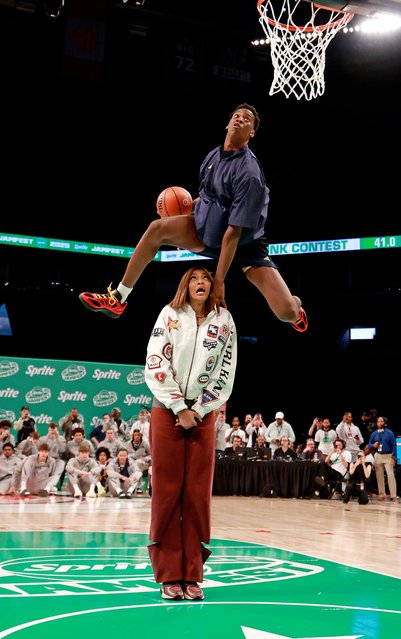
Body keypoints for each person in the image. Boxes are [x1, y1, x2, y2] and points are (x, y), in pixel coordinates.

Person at [79, 104, 307, 333]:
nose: (239, 119)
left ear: (252, 133)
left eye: (246, 119)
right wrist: (184, 212)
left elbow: (234, 232)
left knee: (285, 313)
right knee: (156, 229)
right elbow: (207, 197)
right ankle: (119, 298)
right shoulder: (212, 157)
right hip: (209, 231)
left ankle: (295, 305)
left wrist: (218, 282)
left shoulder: (249, 174)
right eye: (235, 116)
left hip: (246, 244)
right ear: (227, 124)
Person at [144, 266, 237, 602]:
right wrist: (177, 406)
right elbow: (155, 362)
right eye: (194, 278)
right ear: (185, 285)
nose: (201, 282)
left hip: (204, 414)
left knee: (196, 494)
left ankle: (192, 574)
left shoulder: (224, 321)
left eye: (206, 278)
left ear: (213, 286)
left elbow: (225, 371)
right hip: (166, 411)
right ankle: (169, 575)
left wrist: (197, 410)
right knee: (168, 492)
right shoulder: (169, 315)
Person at [367, 416, 397, 502]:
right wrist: (373, 445)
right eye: (378, 421)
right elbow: (369, 444)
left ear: (385, 423)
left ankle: (393, 495)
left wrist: (394, 457)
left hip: (388, 456)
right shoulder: (374, 433)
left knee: (390, 475)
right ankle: (382, 494)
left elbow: (394, 445)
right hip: (378, 456)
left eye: (381, 421)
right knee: (379, 476)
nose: (379, 423)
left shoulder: (390, 433)